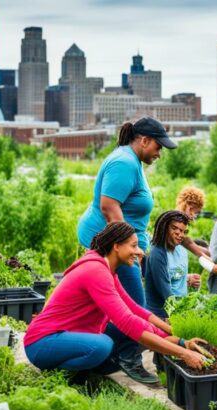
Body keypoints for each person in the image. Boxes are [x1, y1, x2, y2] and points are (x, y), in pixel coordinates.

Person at [24, 222, 208, 375]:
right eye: (134, 246)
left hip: (66, 334)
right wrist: (183, 353)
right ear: (116, 246)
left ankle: (80, 369)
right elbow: (127, 321)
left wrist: (180, 338)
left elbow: (136, 310)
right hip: (42, 342)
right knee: (103, 346)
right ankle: (60, 373)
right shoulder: (96, 271)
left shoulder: (108, 271)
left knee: (114, 355)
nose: (140, 252)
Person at [76, 116, 177, 384]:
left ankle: (104, 354)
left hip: (123, 247)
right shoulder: (123, 163)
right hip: (112, 247)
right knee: (134, 306)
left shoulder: (132, 161)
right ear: (144, 141)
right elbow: (109, 208)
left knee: (121, 306)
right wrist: (131, 249)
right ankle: (127, 357)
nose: (159, 153)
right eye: (158, 147)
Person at [144, 210, 194, 319]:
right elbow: (165, 290)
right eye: (174, 228)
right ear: (164, 227)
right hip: (159, 316)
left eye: (183, 231)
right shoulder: (157, 253)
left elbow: (180, 284)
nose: (179, 234)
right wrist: (179, 316)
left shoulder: (181, 251)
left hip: (175, 309)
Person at [175, 186, 210, 256]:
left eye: (196, 213)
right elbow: (205, 253)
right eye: (192, 210)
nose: (194, 216)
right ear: (185, 205)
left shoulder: (180, 222)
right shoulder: (176, 224)